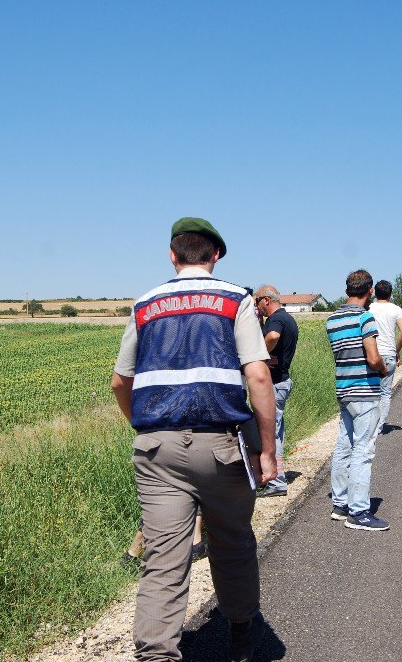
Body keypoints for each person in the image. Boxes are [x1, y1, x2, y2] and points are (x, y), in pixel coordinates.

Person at [111, 217, 277, 662]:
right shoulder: (234, 300)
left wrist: (145, 427)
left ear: (172, 254)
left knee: (164, 559)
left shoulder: (144, 304)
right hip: (221, 447)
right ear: (215, 256)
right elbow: (258, 375)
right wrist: (267, 451)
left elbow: (119, 383)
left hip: (157, 449)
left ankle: (156, 654)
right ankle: (242, 633)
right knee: (232, 542)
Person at [326, 269, 389, 531]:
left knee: (344, 446)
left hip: (343, 388)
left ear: (347, 290)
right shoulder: (366, 318)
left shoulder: (332, 320)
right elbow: (373, 358)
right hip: (365, 391)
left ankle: (340, 503)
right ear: (370, 290)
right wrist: (383, 369)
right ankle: (359, 512)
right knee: (363, 450)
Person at [254, 285, 299, 498]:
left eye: (257, 302)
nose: (257, 307)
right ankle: (275, 476)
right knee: (276, 432)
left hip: (274, 384)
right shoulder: (287, 318)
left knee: (271, 435)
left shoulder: (277, 320)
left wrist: (258, 356)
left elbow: (272, 337)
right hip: (282, 382)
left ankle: (277, 482)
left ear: (266, 300)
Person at [368, 280, 402, 436]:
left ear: (375, 293)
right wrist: (397, 351)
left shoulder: (368, 308)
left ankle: (368, 424)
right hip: (389, 353)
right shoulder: (396, 309)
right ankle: (379, 427)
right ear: (391, 294)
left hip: (372, 353)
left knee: (370, 391)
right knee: (385, 392)